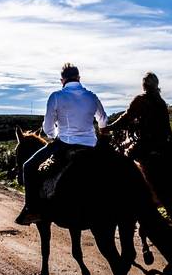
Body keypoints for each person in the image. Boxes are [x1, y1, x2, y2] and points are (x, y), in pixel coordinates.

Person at [15, 63, 108, 225]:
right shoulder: (92, 96)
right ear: (79, 78)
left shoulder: (56, 97)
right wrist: (97, 134)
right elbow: (103, 120)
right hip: (91, 146)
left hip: (65, 143)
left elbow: (47, 127)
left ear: (62, 80)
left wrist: (55, 135)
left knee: (28, 167)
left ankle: (32, 210)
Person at [106, 72, 172, 159]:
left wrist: (110, 127)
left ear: (144, 85)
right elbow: (167, 124)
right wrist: (171, 141)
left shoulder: (141, 100)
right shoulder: (161, 102)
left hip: (146, 142)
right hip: (162, 141)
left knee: (126, 155)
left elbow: (126, 118)